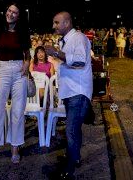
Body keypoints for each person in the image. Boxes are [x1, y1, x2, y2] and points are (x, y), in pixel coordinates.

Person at [0, 2, 31, 166]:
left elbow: (27, 55)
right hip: (2, 69)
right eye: (9, 11)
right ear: (6, 12)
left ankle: (15, 147)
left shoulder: (22, 32)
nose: (11, 14)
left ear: (18, 16)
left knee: (18, 111)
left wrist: (26, 64)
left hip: (19, 71)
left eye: (15, 12)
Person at [45, 11, 93, 179]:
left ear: (67, 23)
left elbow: (80, 61)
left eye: (56, 22)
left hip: (77, 92)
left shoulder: (78, 38)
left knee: (71, 130)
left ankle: (69, 170)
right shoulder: (67, 40)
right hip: (72, 92)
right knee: (75, 130)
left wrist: (56, 53)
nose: (54, 26)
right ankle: (75, 157)